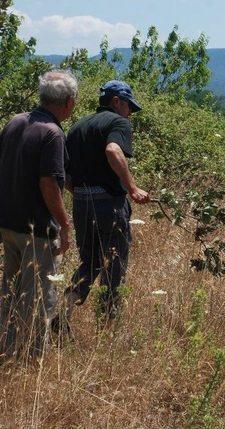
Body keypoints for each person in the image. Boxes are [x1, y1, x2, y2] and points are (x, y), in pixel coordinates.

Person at [0, 70, 77, 360]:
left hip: (7, 223)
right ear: (68, 103)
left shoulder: (15, 122)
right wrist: (64, 224)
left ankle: (7, 350)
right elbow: (49, 183)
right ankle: (32, 359)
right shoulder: (53, 134)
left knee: (11, 291)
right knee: (38, 297)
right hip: (36, 231)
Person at [64, 80, 149, 322]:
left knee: (89, 263)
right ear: (116, 102)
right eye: (129, 107)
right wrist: (132, 188)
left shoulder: (77, 126)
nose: (130, 113)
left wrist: (81, 193)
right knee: (114, 264)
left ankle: (64, 309)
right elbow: (113, 150)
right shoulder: (118, 122)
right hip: (109, 205)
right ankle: (108, 323)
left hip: (81, 204)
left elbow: (64, 173)